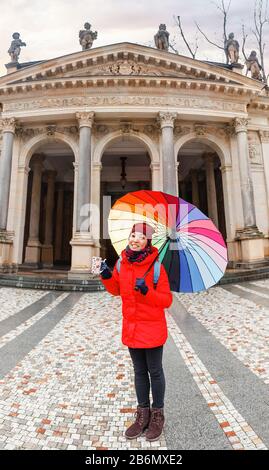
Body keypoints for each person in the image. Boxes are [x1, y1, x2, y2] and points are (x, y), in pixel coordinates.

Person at [100, 222, 173, 441]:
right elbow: (116, 290)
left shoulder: (158, 267)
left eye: (141, 237)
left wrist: (147, 291)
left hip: (151, 328)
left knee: (155, 371)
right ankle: (142, 415)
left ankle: (157, 415)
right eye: (133, 235)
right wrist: (106, 274)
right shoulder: (122, 264)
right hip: (132, 327)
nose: (135, 239)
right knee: (139, 372)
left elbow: (167, 300)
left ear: (147, 242)